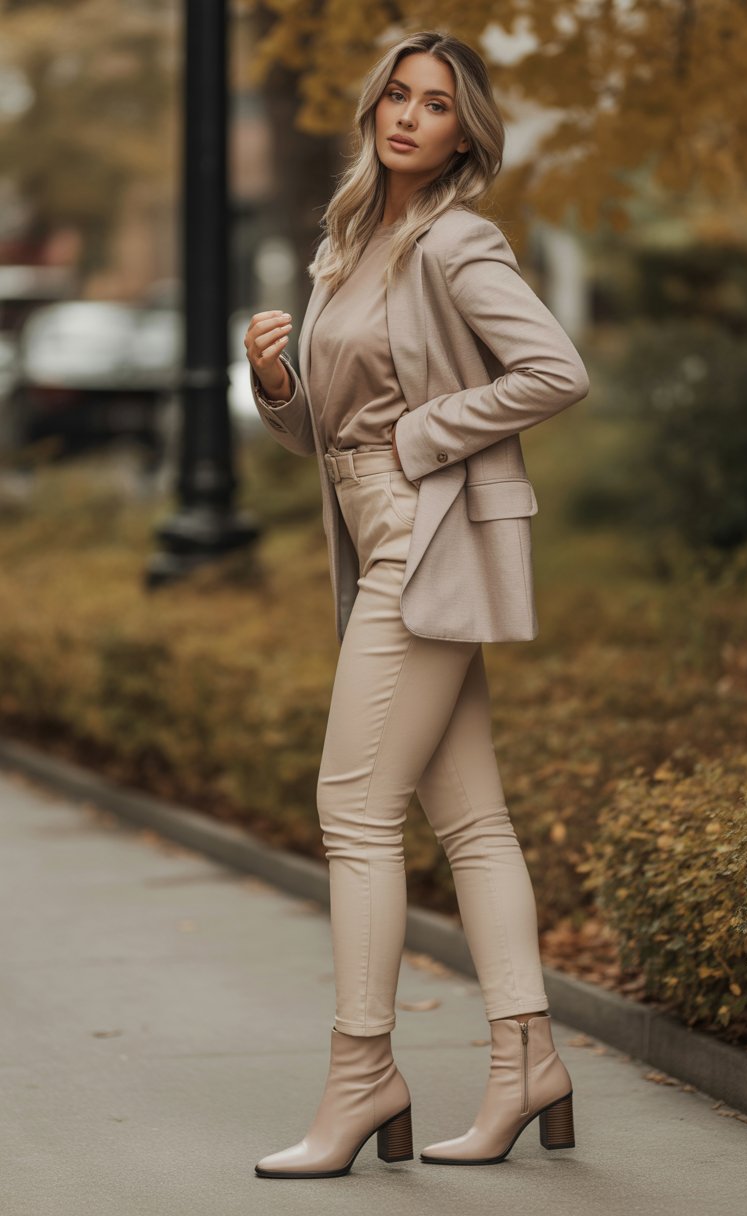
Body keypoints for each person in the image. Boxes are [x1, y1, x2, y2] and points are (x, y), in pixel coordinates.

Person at [243, 29, 589, 1179]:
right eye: (396, 94)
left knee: (351, 809)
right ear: (374, 110)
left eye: (435, 103)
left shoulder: (455, 240)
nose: (408, 116)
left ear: (460, 131)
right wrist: (276, 379)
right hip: (378, 529)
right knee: (471, 820)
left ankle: (360, 1078)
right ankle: (525, 1058)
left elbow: (554, 369)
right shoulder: (349, 241)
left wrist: (426, 434)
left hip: (423, 537)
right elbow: (318, 438)